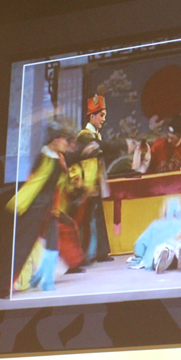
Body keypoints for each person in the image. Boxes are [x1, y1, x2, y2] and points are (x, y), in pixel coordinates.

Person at [6, 121, 79, 292]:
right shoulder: (45, 158)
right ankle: (6, 283)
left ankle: (46, 278)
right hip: (35, 209)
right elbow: (34, 183)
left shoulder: (58, 158)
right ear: (54, 140)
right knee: (23, 246)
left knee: (53, 243)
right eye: (63, 139)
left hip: (50, 208)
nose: (66, 143)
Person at [69, 94, 116, 267]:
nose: (103, 119)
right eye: (101, 115)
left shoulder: (96, 135)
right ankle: (80, 257)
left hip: (94, 185)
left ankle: (100, 252)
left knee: (96, 219)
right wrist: (81, 184)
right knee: (84, 222)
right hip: (85, 185)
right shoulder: (85, 136)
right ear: (92, 116)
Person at [127, 196, 181, 273]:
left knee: (158, 250)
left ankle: (164, 252)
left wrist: (139, 256)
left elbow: (140, 243)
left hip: (160, 249)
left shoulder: (156, 225)